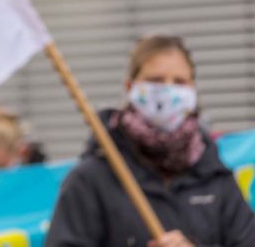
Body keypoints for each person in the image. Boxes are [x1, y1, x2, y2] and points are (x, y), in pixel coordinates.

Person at [46, 34, 255, 247]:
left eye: (179, 82)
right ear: (130, 87)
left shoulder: (215, 177)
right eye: (155, 80)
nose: (168, 90)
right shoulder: (91, 180)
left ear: (193, 89)